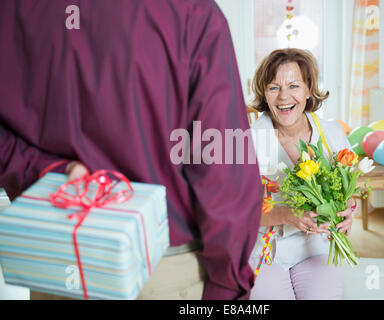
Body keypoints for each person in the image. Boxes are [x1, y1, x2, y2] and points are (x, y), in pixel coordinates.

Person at [0, 0, 262, 300]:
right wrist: (228, 287)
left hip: (60, 270)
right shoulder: (192, 12)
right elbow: (225, 167)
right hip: (162, 272)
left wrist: (44, 170)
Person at [248, 48, 354, 300]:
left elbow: (348, 190)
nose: (284, 96)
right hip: (263, 249)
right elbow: (235, 213)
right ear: (264, 93)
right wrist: (288, 214)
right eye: (274, 88)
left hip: (316, 246)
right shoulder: (246, 140)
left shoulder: (332, 135)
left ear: (308, 89)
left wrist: (348, 210)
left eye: (294, 85)